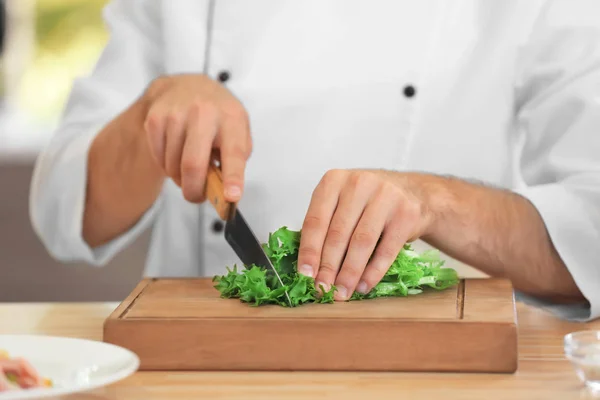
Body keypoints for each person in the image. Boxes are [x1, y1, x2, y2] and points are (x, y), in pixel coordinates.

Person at [29, 0, 600, 321]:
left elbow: (591, 230)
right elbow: (65, 215)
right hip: (198, 368)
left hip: (435, 369)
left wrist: (438, 201)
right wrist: (151, 110)